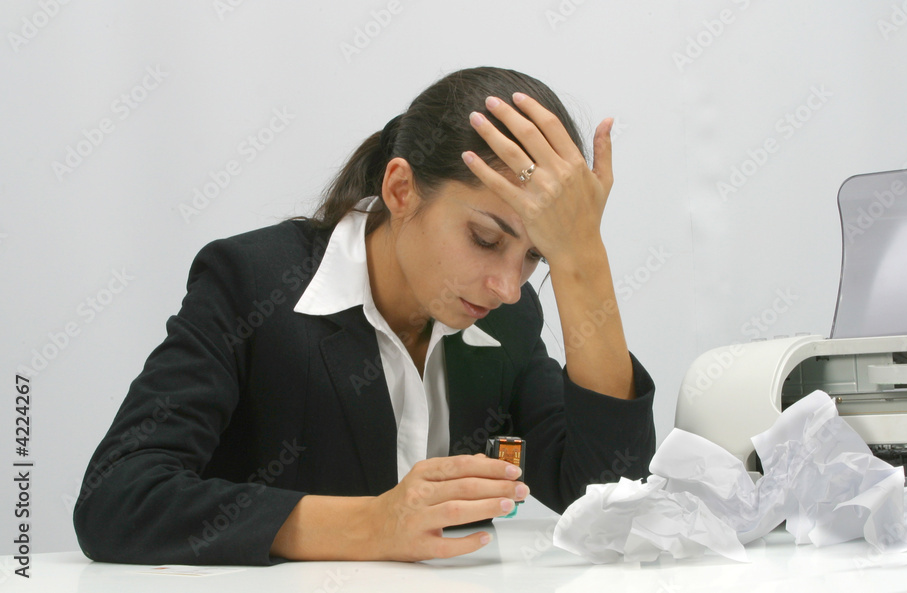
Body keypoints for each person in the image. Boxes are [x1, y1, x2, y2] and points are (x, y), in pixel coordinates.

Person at [73, 66, 656, 565]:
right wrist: (370, 525)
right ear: (401, 190)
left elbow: (610, 504)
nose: (508, 286)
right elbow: (117, 498)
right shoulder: (252, 283)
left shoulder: (507, 317)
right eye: (484, 238)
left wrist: (583, 260)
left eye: (535, 256)